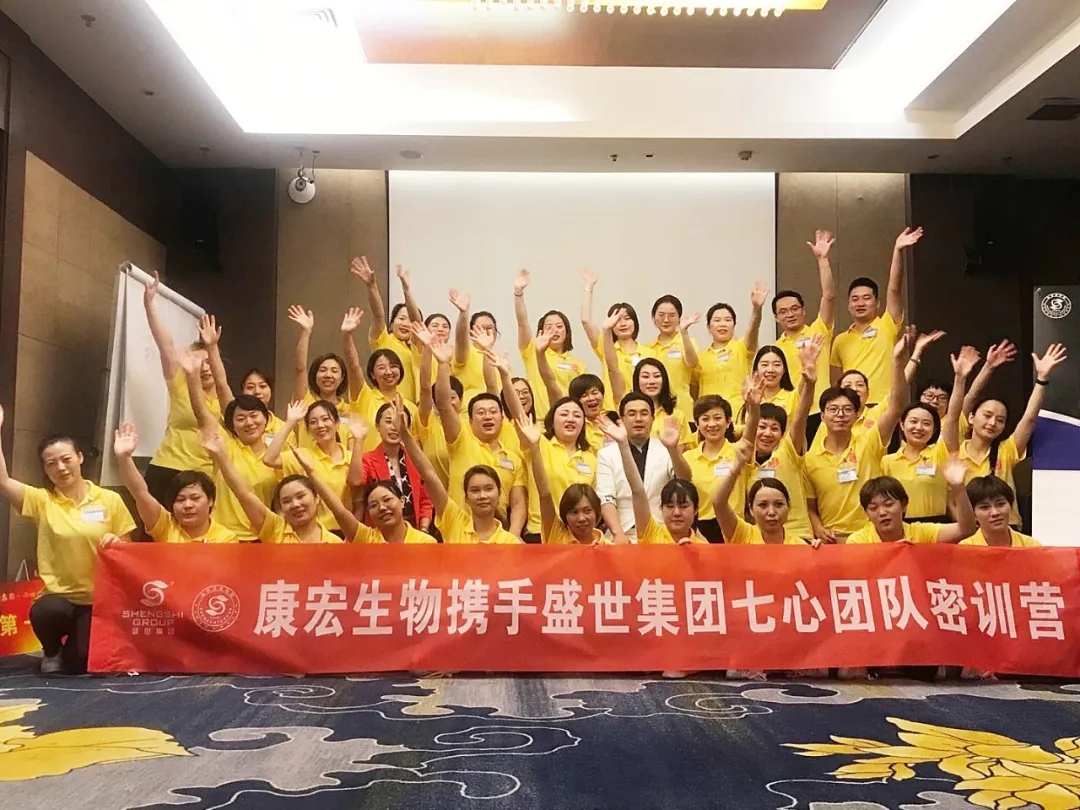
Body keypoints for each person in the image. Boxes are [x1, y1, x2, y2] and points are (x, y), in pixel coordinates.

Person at [0, 407, 135, 674]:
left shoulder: (110, 500)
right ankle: (51, 651)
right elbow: (3, 481)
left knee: (79, 663)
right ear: (45, 469)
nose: (60, 468)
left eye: (65, 459)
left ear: (79, 458)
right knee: (45, 611)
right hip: (58, 598)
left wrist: (116, 542)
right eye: (51, 463)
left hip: (98, 600)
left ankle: (74, 646)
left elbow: (127, 549)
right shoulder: (42, 501)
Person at [805, 330, 910, 542]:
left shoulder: (869, 441)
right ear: (822, 416)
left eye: (847, 410)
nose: (840, 415)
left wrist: (898, 362)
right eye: (833, 410)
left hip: (871, 537)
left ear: (856, 415)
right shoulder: (810, 458)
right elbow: (810, 506)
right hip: (832, 541)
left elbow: (896, 406)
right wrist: (819, 529)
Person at [954, 343, 1067, 527]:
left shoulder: (1006, 450)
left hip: (1008, 528)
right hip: (969, 530)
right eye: (987, 415)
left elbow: (1029, 419)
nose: (992, 423)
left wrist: (1042, 379)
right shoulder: (954, 449)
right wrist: (988, 367)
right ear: (971, 418)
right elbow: (969, 399)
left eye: (1000, 420)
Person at [435, 336, 527, 535]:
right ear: (469, 421)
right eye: (481, 412)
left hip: (498, 537)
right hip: (459, 535)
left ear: (502, 418)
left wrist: (513, 535)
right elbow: (443, 405)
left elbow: (518, 502)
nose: (488, 416)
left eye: (493, 412)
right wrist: (443, 365)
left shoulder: (513, 459)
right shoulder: (461, 441)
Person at [143, 272, 221, 502]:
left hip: (203, 474)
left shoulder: (225, 399)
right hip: (166, 467)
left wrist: (212, 346)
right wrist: (150, 305)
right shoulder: (180, 384)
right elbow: (165, 344)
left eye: (208, 362)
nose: (203, 368)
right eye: (197, 362)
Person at [183, 351, 276, 539]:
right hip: (224, 537)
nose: (249, 423)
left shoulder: (277, 454)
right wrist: (192, 377)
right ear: (232, 424)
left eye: (254, 416)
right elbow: (202, 413)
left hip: (263, 537)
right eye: (240, 418)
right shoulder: (225, 444)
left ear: (266, 420)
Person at [399, 406, 522, 544]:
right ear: (466, 498)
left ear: (499, 494)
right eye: (475, 490)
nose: (482, 496)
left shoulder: (510, 542)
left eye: (488, 489)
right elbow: (428, 475)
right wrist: (406, 436)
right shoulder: (454, 522)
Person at [744, 335, 823, 540]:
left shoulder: (788, 452)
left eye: (774, 428)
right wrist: (753, 407)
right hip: (762, 540)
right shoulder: (745, 460)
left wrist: (810, 382)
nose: (767, 433)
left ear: (782, 434)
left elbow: (801, 415)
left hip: (797, 536)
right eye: (762, 427)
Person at [203, 427, 342, 544]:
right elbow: (244, 494)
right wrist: (221, 456)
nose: (295, 504)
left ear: (317, 498)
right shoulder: (275, 529)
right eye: (286, 501)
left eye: (300, 496)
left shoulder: (334, 543)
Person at [830, 226, 922, 402]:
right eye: (855, 299)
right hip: (852, 408)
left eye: (866, 298)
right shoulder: (840, 340)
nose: (860, 303)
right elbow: (836, 382)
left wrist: (897, 250)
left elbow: (894, 288)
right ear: (848, 305)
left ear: (878, 303)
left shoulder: (887, 324)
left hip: (884, 405)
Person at [881, 346, 973, 521]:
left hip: (937, 525)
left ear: (934, 429)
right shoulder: (887, 462)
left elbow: (953, 419)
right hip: (901, 527)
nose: (919, 427)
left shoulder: (940, 453)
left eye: (926, 423)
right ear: (902, 425)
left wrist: (960, 378)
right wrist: (898, 361)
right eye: (913, 421)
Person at [113, 422, 236, 544]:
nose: (188, 505)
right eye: (180, 500)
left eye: (195, 498)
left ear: (210, 501)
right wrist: (124, 458)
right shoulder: (165, 525)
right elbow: (140, 493)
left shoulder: (226, 538)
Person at [293, 441, 435, 545]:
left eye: (387, 500)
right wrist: (311, 473)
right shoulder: (366, 538)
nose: (382, 508)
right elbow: (340, 512)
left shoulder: (425, 542)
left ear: (402, 501)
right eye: (373, 505)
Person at [599, 415, 707, 545]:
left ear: (695, 510)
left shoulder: (704, 547)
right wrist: (623, 445)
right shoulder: (652, 534)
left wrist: (693, 553)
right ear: (661, 508)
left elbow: (686, 481)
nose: (677, 512)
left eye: (684, 506)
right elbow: (637, 490)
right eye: (669, 506)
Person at [594, 393, 679, 543]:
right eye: (632, 414)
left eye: (644, 413)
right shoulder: (607, 455)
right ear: (622, 420)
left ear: (653, 419)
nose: (638, 419)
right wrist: (618, 533)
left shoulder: (665, 449)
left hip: (661, 531)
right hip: (623, 532)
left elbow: (684, 480)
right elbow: (606, 498)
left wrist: (673, 450)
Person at [263, 398, 355, 532]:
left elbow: (359, 502)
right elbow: (269, 459)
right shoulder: (302, 456)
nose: (320, 425)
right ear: (308, 429)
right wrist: (290, 423)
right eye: (313, 422)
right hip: (313, 534)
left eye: (325, 419)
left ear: (337, 424)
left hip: (347, 533)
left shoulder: (351, 458)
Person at [515, 416, 609, 545]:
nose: (581, 518)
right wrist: (534, 447)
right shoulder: (556, 535)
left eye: (587, 511)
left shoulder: (608, 546)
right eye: (574, 512)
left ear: (597, 513)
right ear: (564, 515)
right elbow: (545, 494)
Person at [773, 231, 836, 422]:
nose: (790, 314)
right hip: (792, 414)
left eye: (795, 309)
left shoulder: (819, 330)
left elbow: (829, 297)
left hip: (821, 411)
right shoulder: (775, 349)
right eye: (783, 312)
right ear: (776, 318)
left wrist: (822, 260)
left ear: (803, 311)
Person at [197, 314, 289, 446]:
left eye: (262, 386)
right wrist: (212, 346)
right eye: (250, 387)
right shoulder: (235, 413)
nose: (257, 391)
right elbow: (221, 385)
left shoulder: (283, 428)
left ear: (271, 390)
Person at [341, 306, 417, 452]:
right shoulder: (364, 398)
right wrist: (346, 336)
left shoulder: (411, 408)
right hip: (368, 464)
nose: (388, 372)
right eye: (381, 367)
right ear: (372, 374)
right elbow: (354, 367)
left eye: (393, 366)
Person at [513, 269, 586, 417]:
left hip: (567, 421)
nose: (554, 331)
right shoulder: (532, 352)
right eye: (549, 327)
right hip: (540, 420)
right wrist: (518, 293)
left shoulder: (578, 364)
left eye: (559, 326)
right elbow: (522, 323)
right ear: (541, 331)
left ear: (567, 331)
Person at [846, 462, 976, 544]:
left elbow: (966, 529)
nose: (882, 512)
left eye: (888, 504)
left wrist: (958, 488)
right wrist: (893, 553)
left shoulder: (920, 532)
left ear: (903, 505)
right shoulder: (857, 541)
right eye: (873, 508)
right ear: (866, 513)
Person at [715, 441, 815, 545]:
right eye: (763, 505)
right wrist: (736, 468)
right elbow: (719, 504)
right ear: (751, 509)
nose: (771, 512)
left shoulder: (799, 545)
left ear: (789, 506)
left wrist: (817, 550)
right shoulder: (743, 534)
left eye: (779, 504)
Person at [350, 255, 420, 405]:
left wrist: (407, 290)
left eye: (409, 320)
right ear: (392, 323)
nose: (406, 324)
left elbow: (417, 322)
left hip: (410, 410)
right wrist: (371, 286)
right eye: (401, 318)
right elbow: (378, 315)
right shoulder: (384, 341)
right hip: (384, 406)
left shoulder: (417, 349)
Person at [353, 402, 433, 533]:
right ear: (378, 425)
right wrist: (358, 440)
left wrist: (423, 530)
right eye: (389, 422)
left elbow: (426, 500)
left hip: (414, 532)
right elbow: (355, 481)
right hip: (380, 532)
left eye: (399, 423)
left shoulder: (415, 459)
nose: (394, 427)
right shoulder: (368, 459)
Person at [683, 393, 751, 544]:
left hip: (734, 528)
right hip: (699, 531)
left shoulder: (738, 451)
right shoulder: (687, 457)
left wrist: (753, 406)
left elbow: (751, 433)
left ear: (728, 421)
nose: (712, 424)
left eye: (717, 418)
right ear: (697, 424)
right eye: (705, 419)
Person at [581, 270, 653, 411]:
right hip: (611, 412)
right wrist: (589, 286)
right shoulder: (606, 347)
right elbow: (586, 321)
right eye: (617, 320)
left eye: (627, 318)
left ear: (635, 322)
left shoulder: (649, 352)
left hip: (638, 412)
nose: (623, 324)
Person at [287, 303, 352, 449]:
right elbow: (299, 369)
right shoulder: (304, 403)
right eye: (322, 370)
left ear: (342, 377)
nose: (328, 375)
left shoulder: (350, 410)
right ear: (315, 375)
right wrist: (306, 332)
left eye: (334, 371)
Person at [695, 283, 767, 413]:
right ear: (709, 327)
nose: (722, 324)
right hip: (708, 416)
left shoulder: (741, 347)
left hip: (737, 414)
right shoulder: (700, 357)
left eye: (727, 320)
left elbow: (753, 328)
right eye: (717, 320)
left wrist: (757, 309)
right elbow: (694, 389)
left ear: (734, 325)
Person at [410, 323, 464, 488]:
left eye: (452, 397)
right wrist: (428, 348)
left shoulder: (469, 424)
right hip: (432, 495)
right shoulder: (428, 421)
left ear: (461, 401)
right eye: (443, 398)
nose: (448, 401)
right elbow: (425, 388)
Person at [645, 294, 701, 416]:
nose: (666, 320)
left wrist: (684, 332)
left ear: (679, 318)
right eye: (661, 315)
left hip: (683, 409)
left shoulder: (687, 342)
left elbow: (692, 363)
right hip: (655, 411)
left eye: (672, 315)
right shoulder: (647, 348)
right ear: (654, 318)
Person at [449, 287, 498, 405]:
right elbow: (461, 341)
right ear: (470, 332)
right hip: (469, 412)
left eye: (489, 328)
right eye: (480, 328)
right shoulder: (467, 353)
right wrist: (463, 314)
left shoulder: (499, 360)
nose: (485, 331)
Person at [961, 476, 1041, 547]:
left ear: (1011, 506)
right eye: (985, 507)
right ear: (973, 514)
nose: (995, 513)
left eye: (1000, 504)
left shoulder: (1031, 546)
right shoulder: (965, 549)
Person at [741, 346, 797, 422]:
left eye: (777, 365)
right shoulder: (750, 398)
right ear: (756, 370)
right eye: (765, 365)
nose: (770, 370)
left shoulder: (794, 397)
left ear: (784, 370)